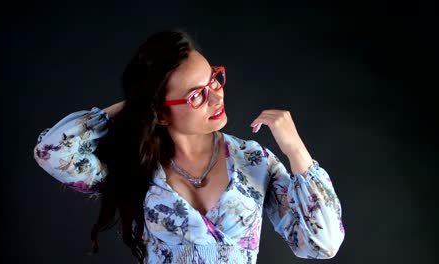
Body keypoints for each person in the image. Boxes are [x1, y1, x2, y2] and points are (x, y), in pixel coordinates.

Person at [33, 29, 345, 263]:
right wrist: (136, 105)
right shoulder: (137, 166)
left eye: (214, 80)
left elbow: (322, 243)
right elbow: (52, 152)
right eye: (197, 94)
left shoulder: (253, 160)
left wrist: (295, 150)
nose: (216, 96)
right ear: (161, 114)